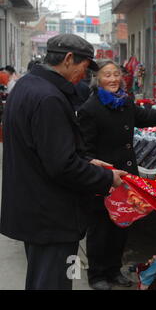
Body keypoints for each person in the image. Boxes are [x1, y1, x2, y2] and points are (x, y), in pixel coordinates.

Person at [0, 34, 128, 290]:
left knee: (42, 279)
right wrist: (106, 178)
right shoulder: (49, 98)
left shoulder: (27, 86)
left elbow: (46, 150)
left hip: (35, 208)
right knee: (54, 282)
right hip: (51, 215)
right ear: (69, 59)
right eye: (84, 66)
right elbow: (62, 165)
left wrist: (88, 162)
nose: (85, 74)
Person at [77, 59, 156, 290]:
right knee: (100, 227)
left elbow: (145, 117)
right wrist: (96, 170)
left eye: (116, 74)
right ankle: (97, 275)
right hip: (102, 178)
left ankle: (114, 271)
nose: (113, 79)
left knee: (122, 225)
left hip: (126, 177)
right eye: (108, 75)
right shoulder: (89, 109)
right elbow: (84, 150)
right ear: (98, 79)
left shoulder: (125, 102)